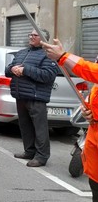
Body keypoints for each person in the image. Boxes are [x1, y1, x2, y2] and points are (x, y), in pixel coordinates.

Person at [41, 39, 98, 198]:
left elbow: (91, 70)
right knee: (94, 183)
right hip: (94, 133)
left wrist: (62, 56)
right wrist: (88, 109)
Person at [5, 28, 57, 167]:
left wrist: (25, 69)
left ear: (43, 39)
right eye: (31, 34)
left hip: (36, 97)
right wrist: (12, 69)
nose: (31, 37)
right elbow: (7, 70)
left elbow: (48, 75)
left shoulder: (48, 55)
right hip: (20, 94)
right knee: (25, 125)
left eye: (35, 35)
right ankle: (29, 151)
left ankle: (42, 156)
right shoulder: (22, 53)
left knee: (40, 128)